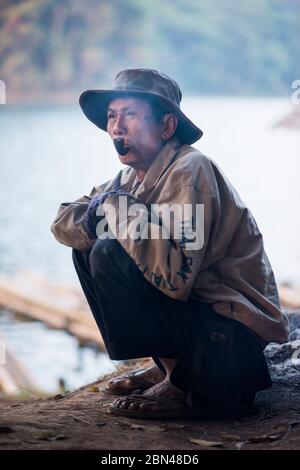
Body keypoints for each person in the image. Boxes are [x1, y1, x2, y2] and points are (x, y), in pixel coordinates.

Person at [51, 68, 289, 420]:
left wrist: (113, 208)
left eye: (130, 114)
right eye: (113, 116)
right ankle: (165, 367)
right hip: (201, 329)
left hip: (229, 341)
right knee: (89, 247)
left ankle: (179, 383)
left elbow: (176, 278)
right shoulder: (130, 177)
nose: (116, 127)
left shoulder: (192, 169)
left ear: (167, 127)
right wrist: (102, 212)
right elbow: (63, 221)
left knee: (110, 250)